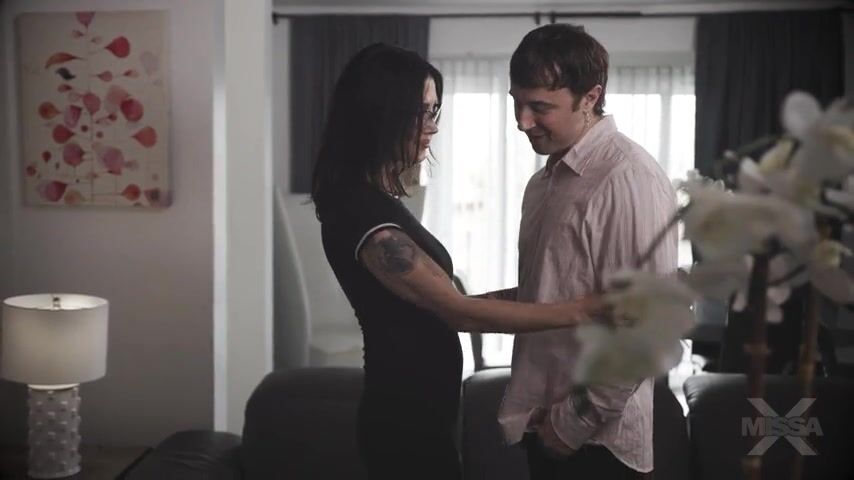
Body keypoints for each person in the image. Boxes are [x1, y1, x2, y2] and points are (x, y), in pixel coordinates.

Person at [311, 43, 605, 480]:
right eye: (421, 112)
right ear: (381, 113)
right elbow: (458, 312)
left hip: (425, 414)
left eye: (435, 111)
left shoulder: (376, 202)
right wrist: (584, 310)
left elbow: (446, 302)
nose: (432, 126)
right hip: (402, 422)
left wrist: (568, 293)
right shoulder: (360, 213)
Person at [495, 24, 678, 480]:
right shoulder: (542, 183)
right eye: (517, 103)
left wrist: (570, 425)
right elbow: (549, 291)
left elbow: (646, 322)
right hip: (542, 425)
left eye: (540, 107)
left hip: (595, 444)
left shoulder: (628, 178)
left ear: (590, 97)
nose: (522, 122)